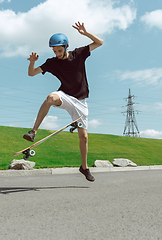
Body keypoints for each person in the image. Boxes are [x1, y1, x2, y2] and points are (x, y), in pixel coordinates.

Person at [24, 22, 103, 182]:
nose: (57, 53)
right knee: (50, 98)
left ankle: (84, 167)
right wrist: (32, 61)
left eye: (59, 50)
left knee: (84, 137)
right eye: (54, 51)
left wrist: (86, 33)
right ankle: (33, 131)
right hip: (65, 96)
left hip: (80, 102)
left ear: (66, 47)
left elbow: (99, 42)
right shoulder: (52, 63)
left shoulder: (79, 54)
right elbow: (32, 73)